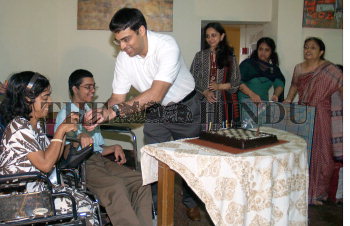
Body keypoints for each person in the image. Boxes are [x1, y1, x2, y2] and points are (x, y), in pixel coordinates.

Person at [84, 7, 202, 221]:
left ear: (142, 30)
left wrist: (114, 113)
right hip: (156, 113)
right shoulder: (123, 58)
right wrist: (102, 112)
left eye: (127, 39)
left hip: (186, 108)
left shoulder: (167, 46)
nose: (122, 46)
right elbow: (117, 98)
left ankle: (191, 202)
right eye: (118, 41)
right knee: (154, 164)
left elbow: (156, 94)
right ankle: (155, 211)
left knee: (189, 163)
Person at [54, 69, 153, 226]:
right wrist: (77, 138)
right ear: (75, 88)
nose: (93, 90)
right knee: (116, 186)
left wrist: (114, 147)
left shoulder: (89, 111)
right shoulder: (65, 113)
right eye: (88, 87)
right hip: (82, 166)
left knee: (141, 182)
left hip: (99, 160)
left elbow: (96, 147)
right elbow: (63, 153)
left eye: (94, 86)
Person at [0, 71, 98, 225]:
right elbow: (46, 165)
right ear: (28, 99)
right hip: (19, 201)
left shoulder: (34, 126)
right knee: (83, 208)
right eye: (45, 97)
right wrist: (60, 130)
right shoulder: (19, 128)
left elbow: (53, 158)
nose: (50, 101)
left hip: (37, 192)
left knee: (86, 201)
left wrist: (64, 131)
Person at [283, 37, 343, 205]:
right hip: (303, 114)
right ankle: (300, 191)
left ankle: (316, 194)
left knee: (322, 153)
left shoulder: (329, 69)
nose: (308, 50)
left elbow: (343, 86)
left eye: (313, 48)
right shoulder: (299, 68)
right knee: (302, 152)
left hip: (321, 113)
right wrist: (288, 100)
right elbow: (294, 86)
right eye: (306, 47)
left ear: (321, 52)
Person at [190, 22, 240, 131]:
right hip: (204, 103)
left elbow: (236, 83)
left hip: (225, 104)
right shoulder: (200, 56)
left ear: (222, 36)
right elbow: (192, 79)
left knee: (225, 138)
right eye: (207, 36)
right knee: (206, 136)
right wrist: (205, 92)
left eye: (214, 35)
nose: (210, 39)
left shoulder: (230, 57)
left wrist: (219, 86)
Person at [238, 37, 285, 103]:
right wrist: (252, 94)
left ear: (271, 52)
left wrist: (276, 95)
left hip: (262, 103)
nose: (263, 52)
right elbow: (238, 82)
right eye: (260, 49)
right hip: (246, 101)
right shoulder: (247, 64)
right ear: (257, 50)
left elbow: (279, 83)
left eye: (267, 50)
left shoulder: (273, 69)